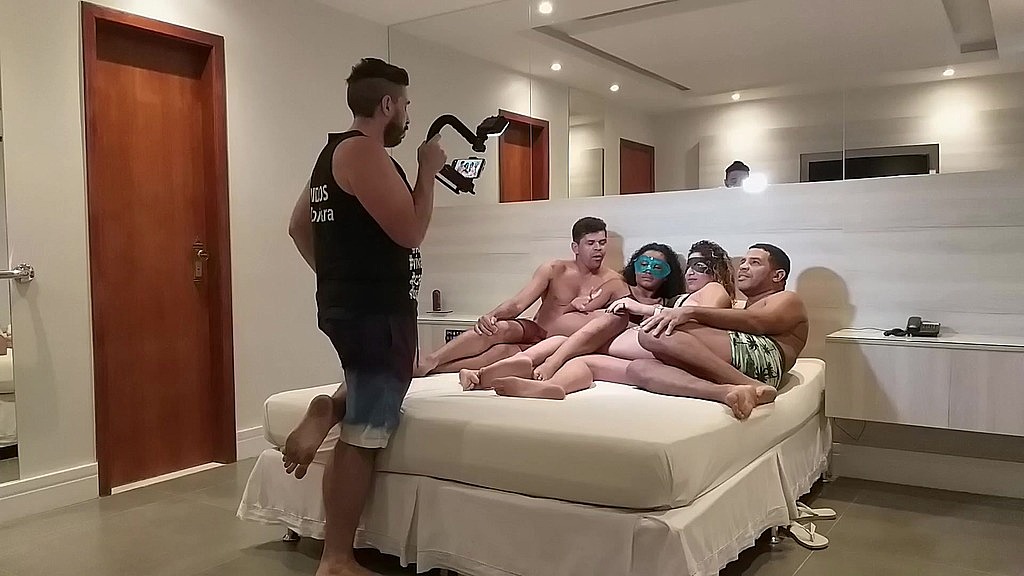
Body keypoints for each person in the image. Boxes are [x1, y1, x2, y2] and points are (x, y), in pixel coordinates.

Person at [282, 57, 447, 576]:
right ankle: (336, 559)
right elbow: (411, 232)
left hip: (352, 308)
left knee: (375, 387)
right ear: (387, 104)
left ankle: (331, 406)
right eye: (406, 106)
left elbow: (298, 227)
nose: (408, 117)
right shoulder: (366, 153)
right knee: (366, 433)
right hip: (377, 312)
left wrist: (335, 278)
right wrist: (427, 171)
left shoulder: (330, 154)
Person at [477, 241, 736, 399]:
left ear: (717, 272)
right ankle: (552, 387)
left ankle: (532, 364)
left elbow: (698, 321)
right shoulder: (667, 296)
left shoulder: (713, 289)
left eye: (701, 267)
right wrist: (583, 303)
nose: (691, 273)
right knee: (584, 361)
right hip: (638, 350)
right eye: (690, 266)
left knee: (596, 329)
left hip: (660, 346)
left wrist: (640, 309)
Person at [413, 216, 625, 376]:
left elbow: (619, 321)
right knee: (497, 328)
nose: (598, 249)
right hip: (537, 329)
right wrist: (491, 315)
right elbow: (517, 304)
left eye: (602, 242)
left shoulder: (613, 281)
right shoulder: (555, 269)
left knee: (502, 353)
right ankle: (431, 360)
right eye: (591, 243)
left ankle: (435, 370)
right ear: (575, 247)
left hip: (561, 343)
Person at [629, 243, 808, 420]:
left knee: (654, 331)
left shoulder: (788, 299)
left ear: (778, 276)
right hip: (739, 362)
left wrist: (690, 311)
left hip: (767, 362)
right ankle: (726, 392)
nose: (744, 267)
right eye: (743, 262)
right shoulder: (743, 308)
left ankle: (749, 383)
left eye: (754, 262)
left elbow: (758, 322)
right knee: (639, 369)